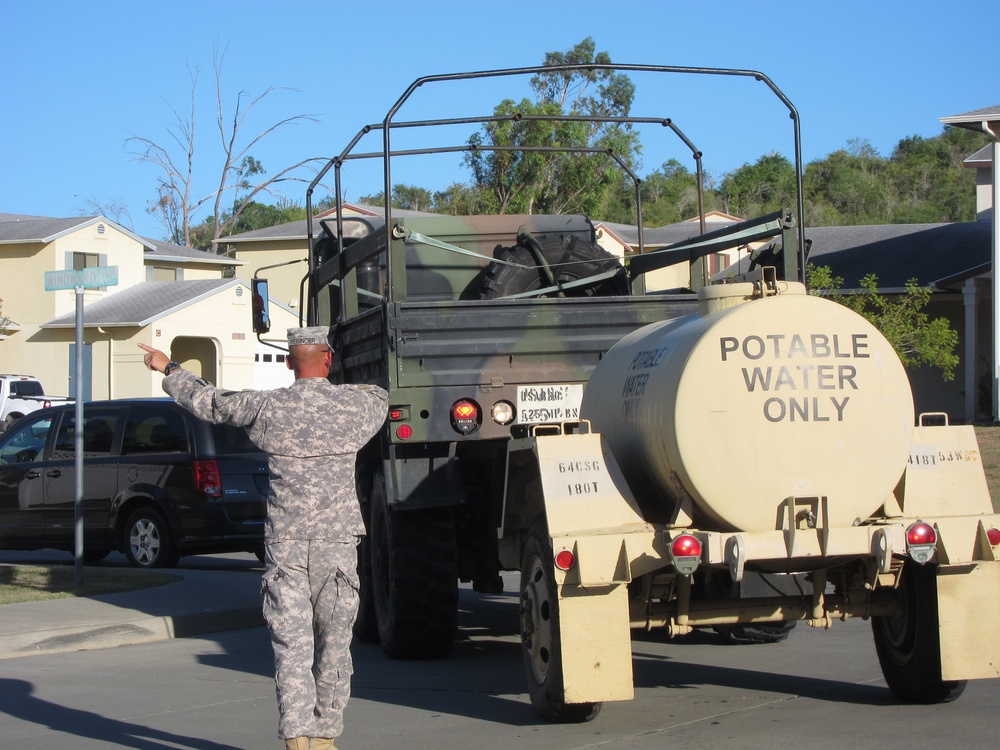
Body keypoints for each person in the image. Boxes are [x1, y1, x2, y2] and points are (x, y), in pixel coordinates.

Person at [139, 328, 387, 750]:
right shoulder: (355, 406)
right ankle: (325, 737)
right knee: (334, 646)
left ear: (288, 363)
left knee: (291, 646)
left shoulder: (267, 406)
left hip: (285, 545)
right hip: (336, 543)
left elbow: (212, 403)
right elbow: (380, 395)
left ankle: (296, 738)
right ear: (327, 360)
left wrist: (170, 368)